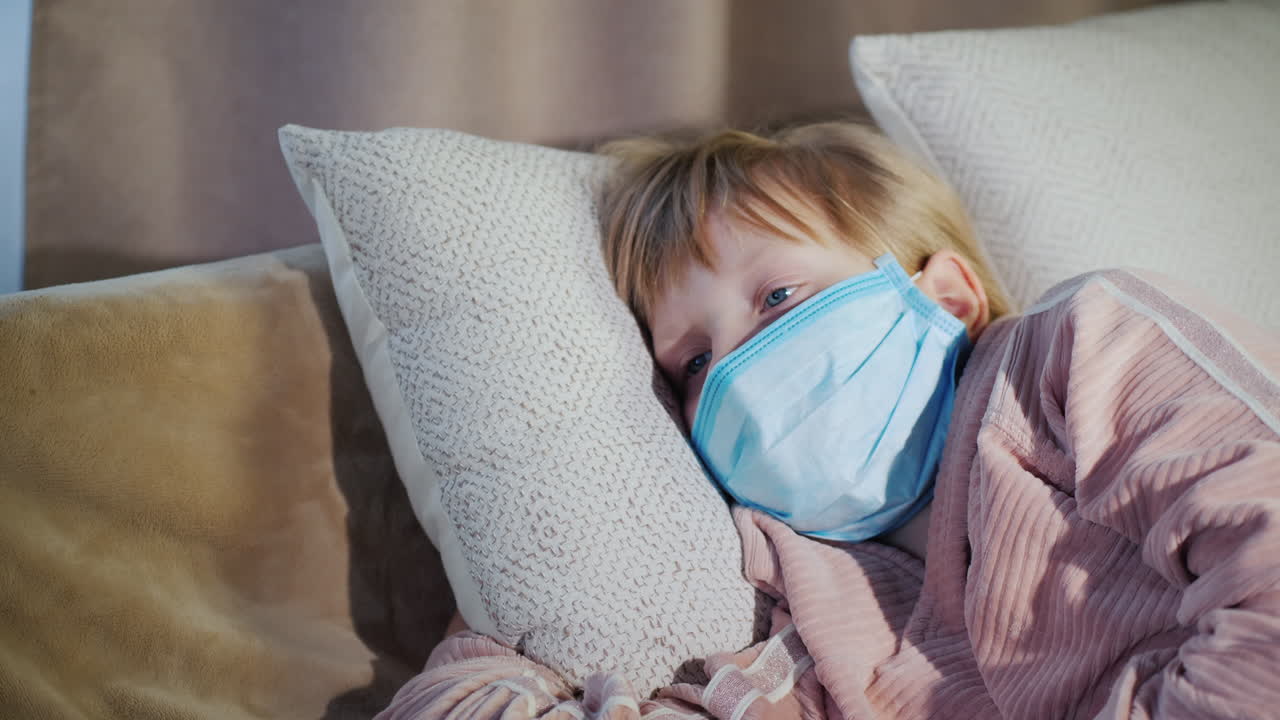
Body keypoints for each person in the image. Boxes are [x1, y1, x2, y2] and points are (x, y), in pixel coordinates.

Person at [385, 123, 1280, 719]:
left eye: (778, 296)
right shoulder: (819, 599)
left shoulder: (1080, 347)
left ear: (947, 295)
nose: (737, 367)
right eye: (694, 363)